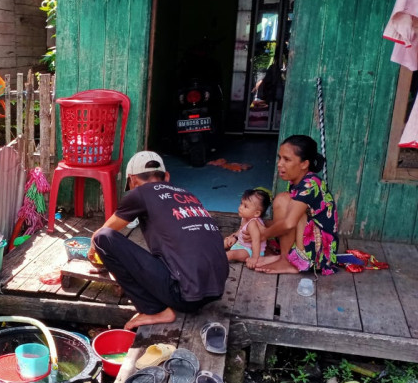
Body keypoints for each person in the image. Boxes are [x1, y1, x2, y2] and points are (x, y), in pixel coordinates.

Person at [89, 151, 229, 330]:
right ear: (166, 176)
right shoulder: (187, 194)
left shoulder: (140, 193)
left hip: (184, 297)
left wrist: (94, 254)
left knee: (103, 239)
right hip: (215, 291)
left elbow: (104, 232)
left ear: (132, 180)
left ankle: (153, 309)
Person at [251, 135, 338, 275]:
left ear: (304, 164)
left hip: (319, 254)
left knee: (282, 200)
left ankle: (287, 260)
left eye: (287, 159)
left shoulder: (310, 184)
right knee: (282, 203)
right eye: (280, 158)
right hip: (309, 243)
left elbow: (289, 224)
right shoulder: (298, 182)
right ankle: (285, 257)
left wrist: (263, 235)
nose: (280, 164)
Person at [224, 188, 271, 269]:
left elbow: (256, 241)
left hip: (250, 250)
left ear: (256, 213)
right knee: (224, 242)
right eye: (241, 203)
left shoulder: (253, 223)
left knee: (230, 254)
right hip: (240, 245)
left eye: (245, 206)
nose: (240, 207)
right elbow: (241, 229)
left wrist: (254, 258)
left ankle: (214, 261)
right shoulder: (245, 217)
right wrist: (234, 237)